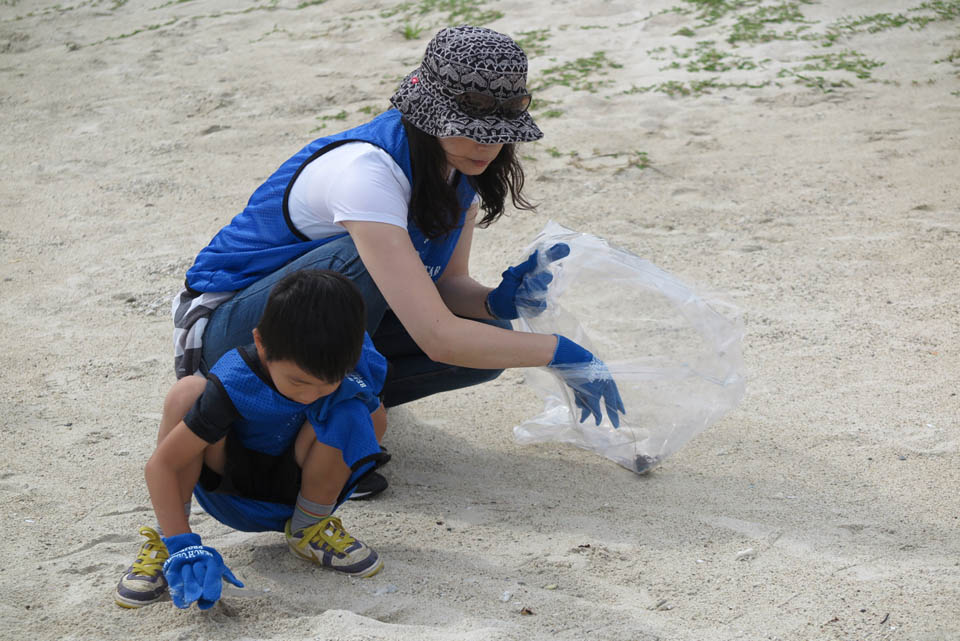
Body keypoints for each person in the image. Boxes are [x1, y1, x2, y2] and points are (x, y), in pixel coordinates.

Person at [170, 26, 624, 494]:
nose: (486, 146)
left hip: (305, 318)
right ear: (426, 114)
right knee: (356, 263)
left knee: (489, 344)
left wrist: (493, 303)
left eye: (499, 134)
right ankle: (291, 434)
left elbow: (444, 288)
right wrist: (564, 353)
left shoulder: (458, 169)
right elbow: (437, 335)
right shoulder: (367, 171)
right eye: (468, 129)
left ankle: (332, 420)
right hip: (227, 334)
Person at [115, 270, 389, 610]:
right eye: (299, 381)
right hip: (232, 488)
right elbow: (162, 465)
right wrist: (182, 542)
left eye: (327, 383)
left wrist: (342, 409)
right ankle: (167, 540)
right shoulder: (236, 381)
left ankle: (309, 530)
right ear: (261, 343)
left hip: (301, 495)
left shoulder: (350, 359)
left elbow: (375, 424)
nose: (311, 394)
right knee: (186, 394)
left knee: (353, 411)